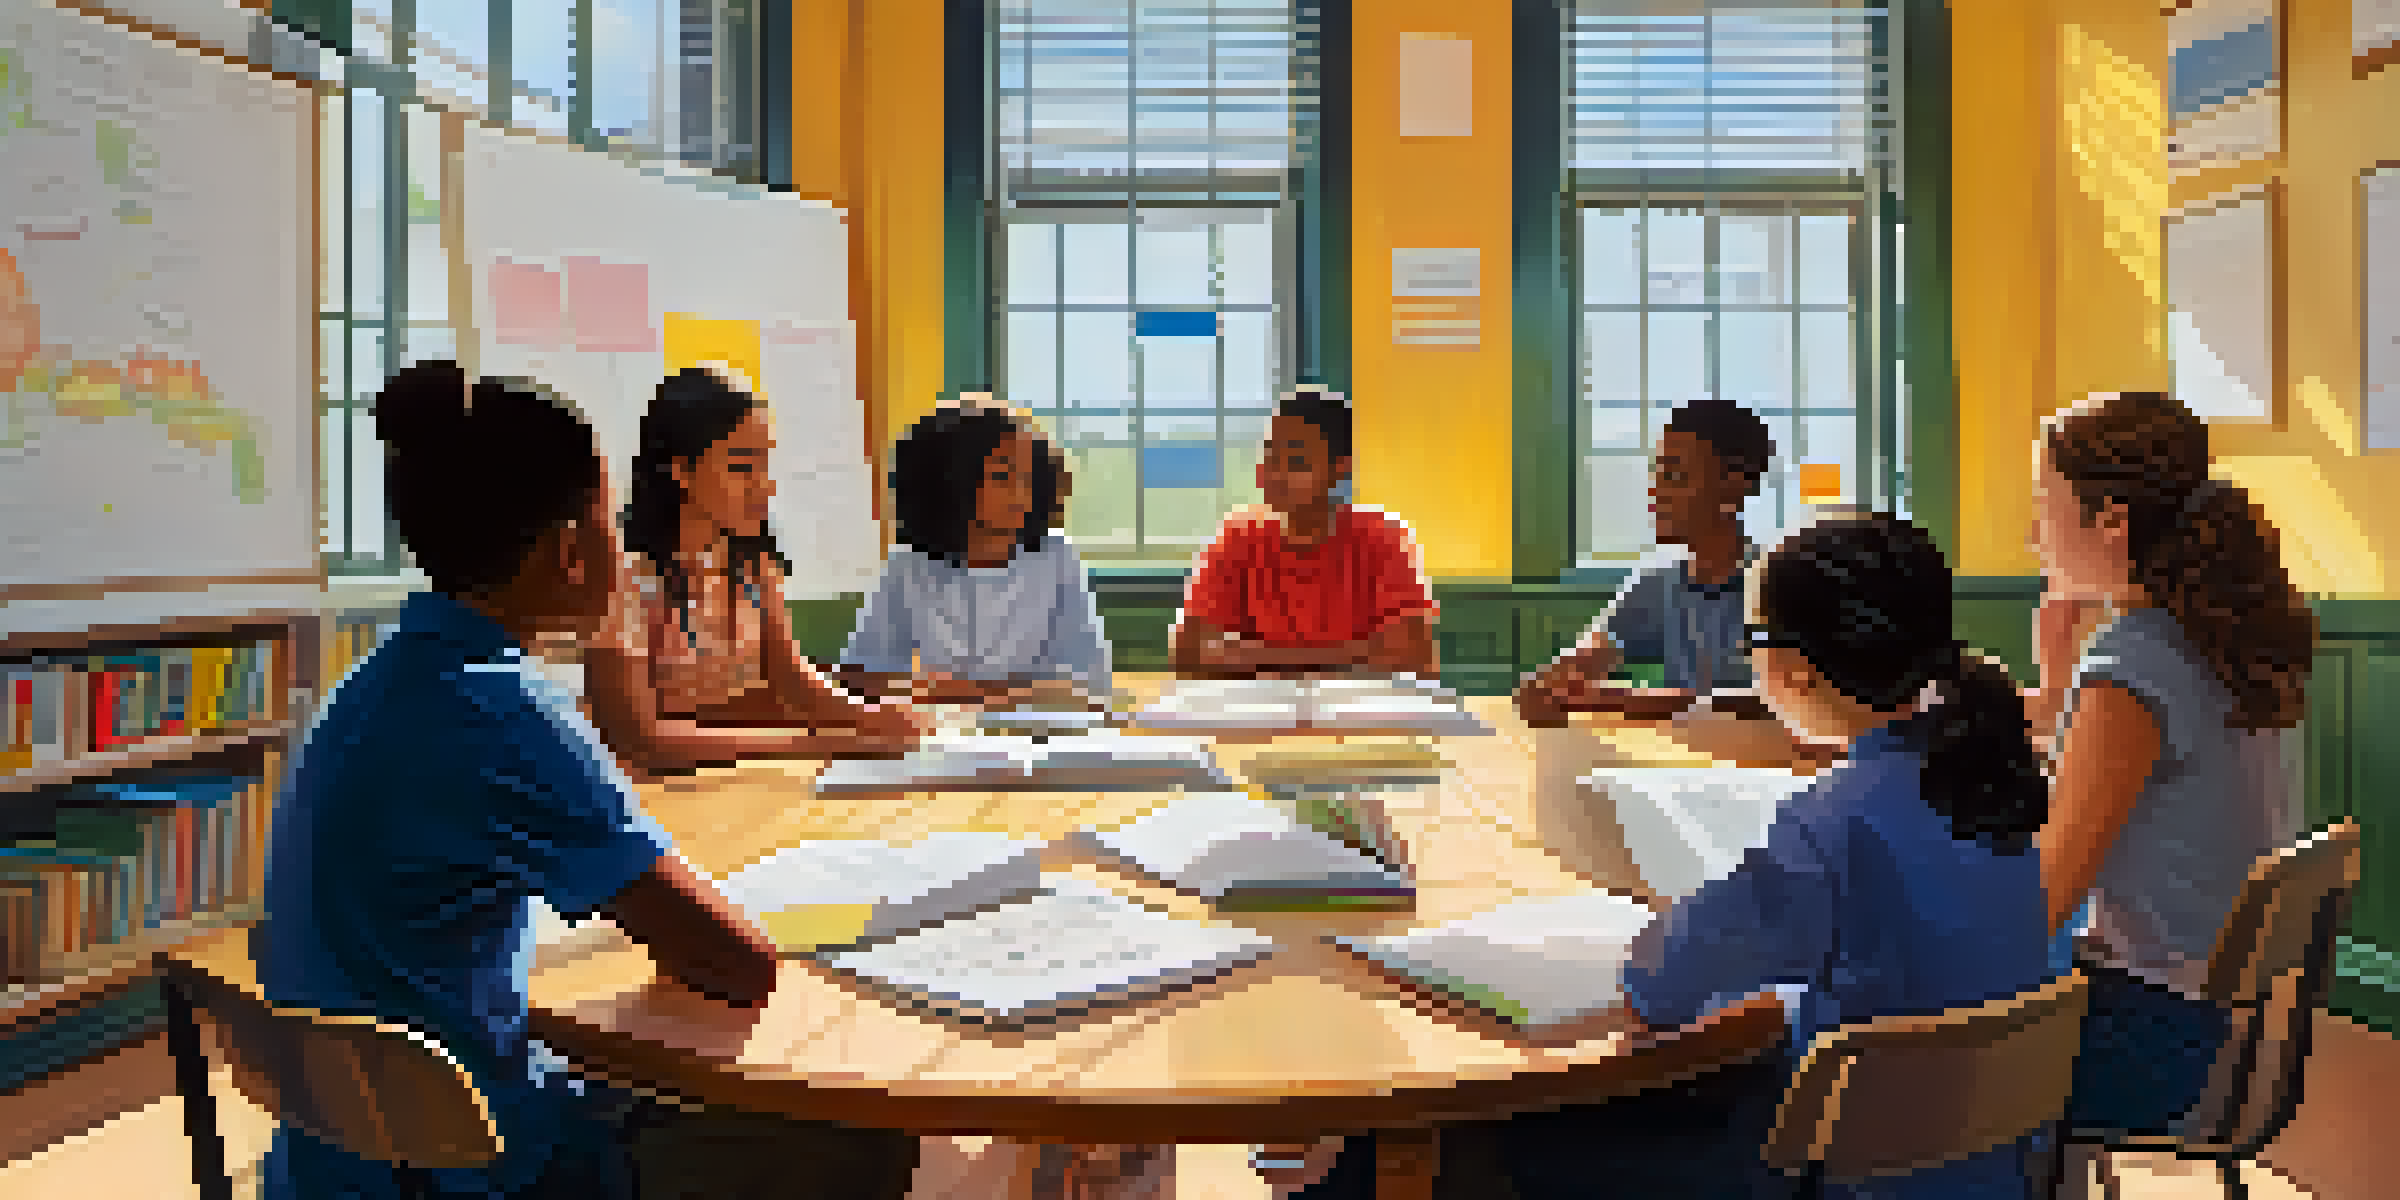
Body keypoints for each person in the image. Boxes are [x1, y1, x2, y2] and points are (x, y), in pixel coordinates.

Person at [258, 362, 919, 1199]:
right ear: (572, 549)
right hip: (469, 1167)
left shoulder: (380, 679)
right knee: (861, 1136)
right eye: (607, 520)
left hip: (333, 1155)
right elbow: (734, 964)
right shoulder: (507, 707)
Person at [1271, 514, 2056, 1200]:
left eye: (1752, 641)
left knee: (1415, 1137)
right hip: (1966, 1165)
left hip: (1820, 1168)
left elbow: (1661, 981)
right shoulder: (1991, 782)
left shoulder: (1831, 823)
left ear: (1796, 671)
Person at [2027, 390, 2316, 1141]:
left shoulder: (2134, 662)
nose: (2033, 533)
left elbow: (2042, 902)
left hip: (2146, 1044)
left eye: (2045, 503)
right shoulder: (2219, 640)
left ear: (2112, 520)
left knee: (1866, 1053)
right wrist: (2060, 682)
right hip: (2217, 1029)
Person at [583, 365, 927, 773]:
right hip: (650, 795)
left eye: (766, 464)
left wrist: (867, 714)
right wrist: (833, 740)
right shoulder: (626, 576)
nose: (764, 486)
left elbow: (790, 677)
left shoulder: (752, 561)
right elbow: (641, 740)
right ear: (681, 472)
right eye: (742, 467)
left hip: (733, 781)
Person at [835, 398, 1113, 707]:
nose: (1021, 494)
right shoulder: (909, 564)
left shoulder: (1055, 558)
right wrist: (1002, 694)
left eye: (1029, 478)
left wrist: (949, 691)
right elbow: (861, 675)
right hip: (937, 739)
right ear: (952, 481)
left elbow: (1089, 681)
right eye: (1003, 477)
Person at [1515, 397, 1777, 726]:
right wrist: (1555, 681)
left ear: (1734, 486)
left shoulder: (1777, 585)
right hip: (1684, 765)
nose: (1657, 493)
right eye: (1657, 474)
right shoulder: (1658, 586)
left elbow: (1779, 704)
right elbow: (1589, 655)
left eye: (1676, 476)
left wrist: (1636, 700)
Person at [1172, 386, 1438, 679]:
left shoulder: (1382, 538)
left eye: (1297, 462)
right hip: (1257, 715)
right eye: (1270, 459)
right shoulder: (1237, 537)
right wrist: (1351, 656)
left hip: (1358, 716)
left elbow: (1413, 654)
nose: (1275, 475)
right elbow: (1189, 652)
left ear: (1340, 468)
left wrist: (1255, 656)